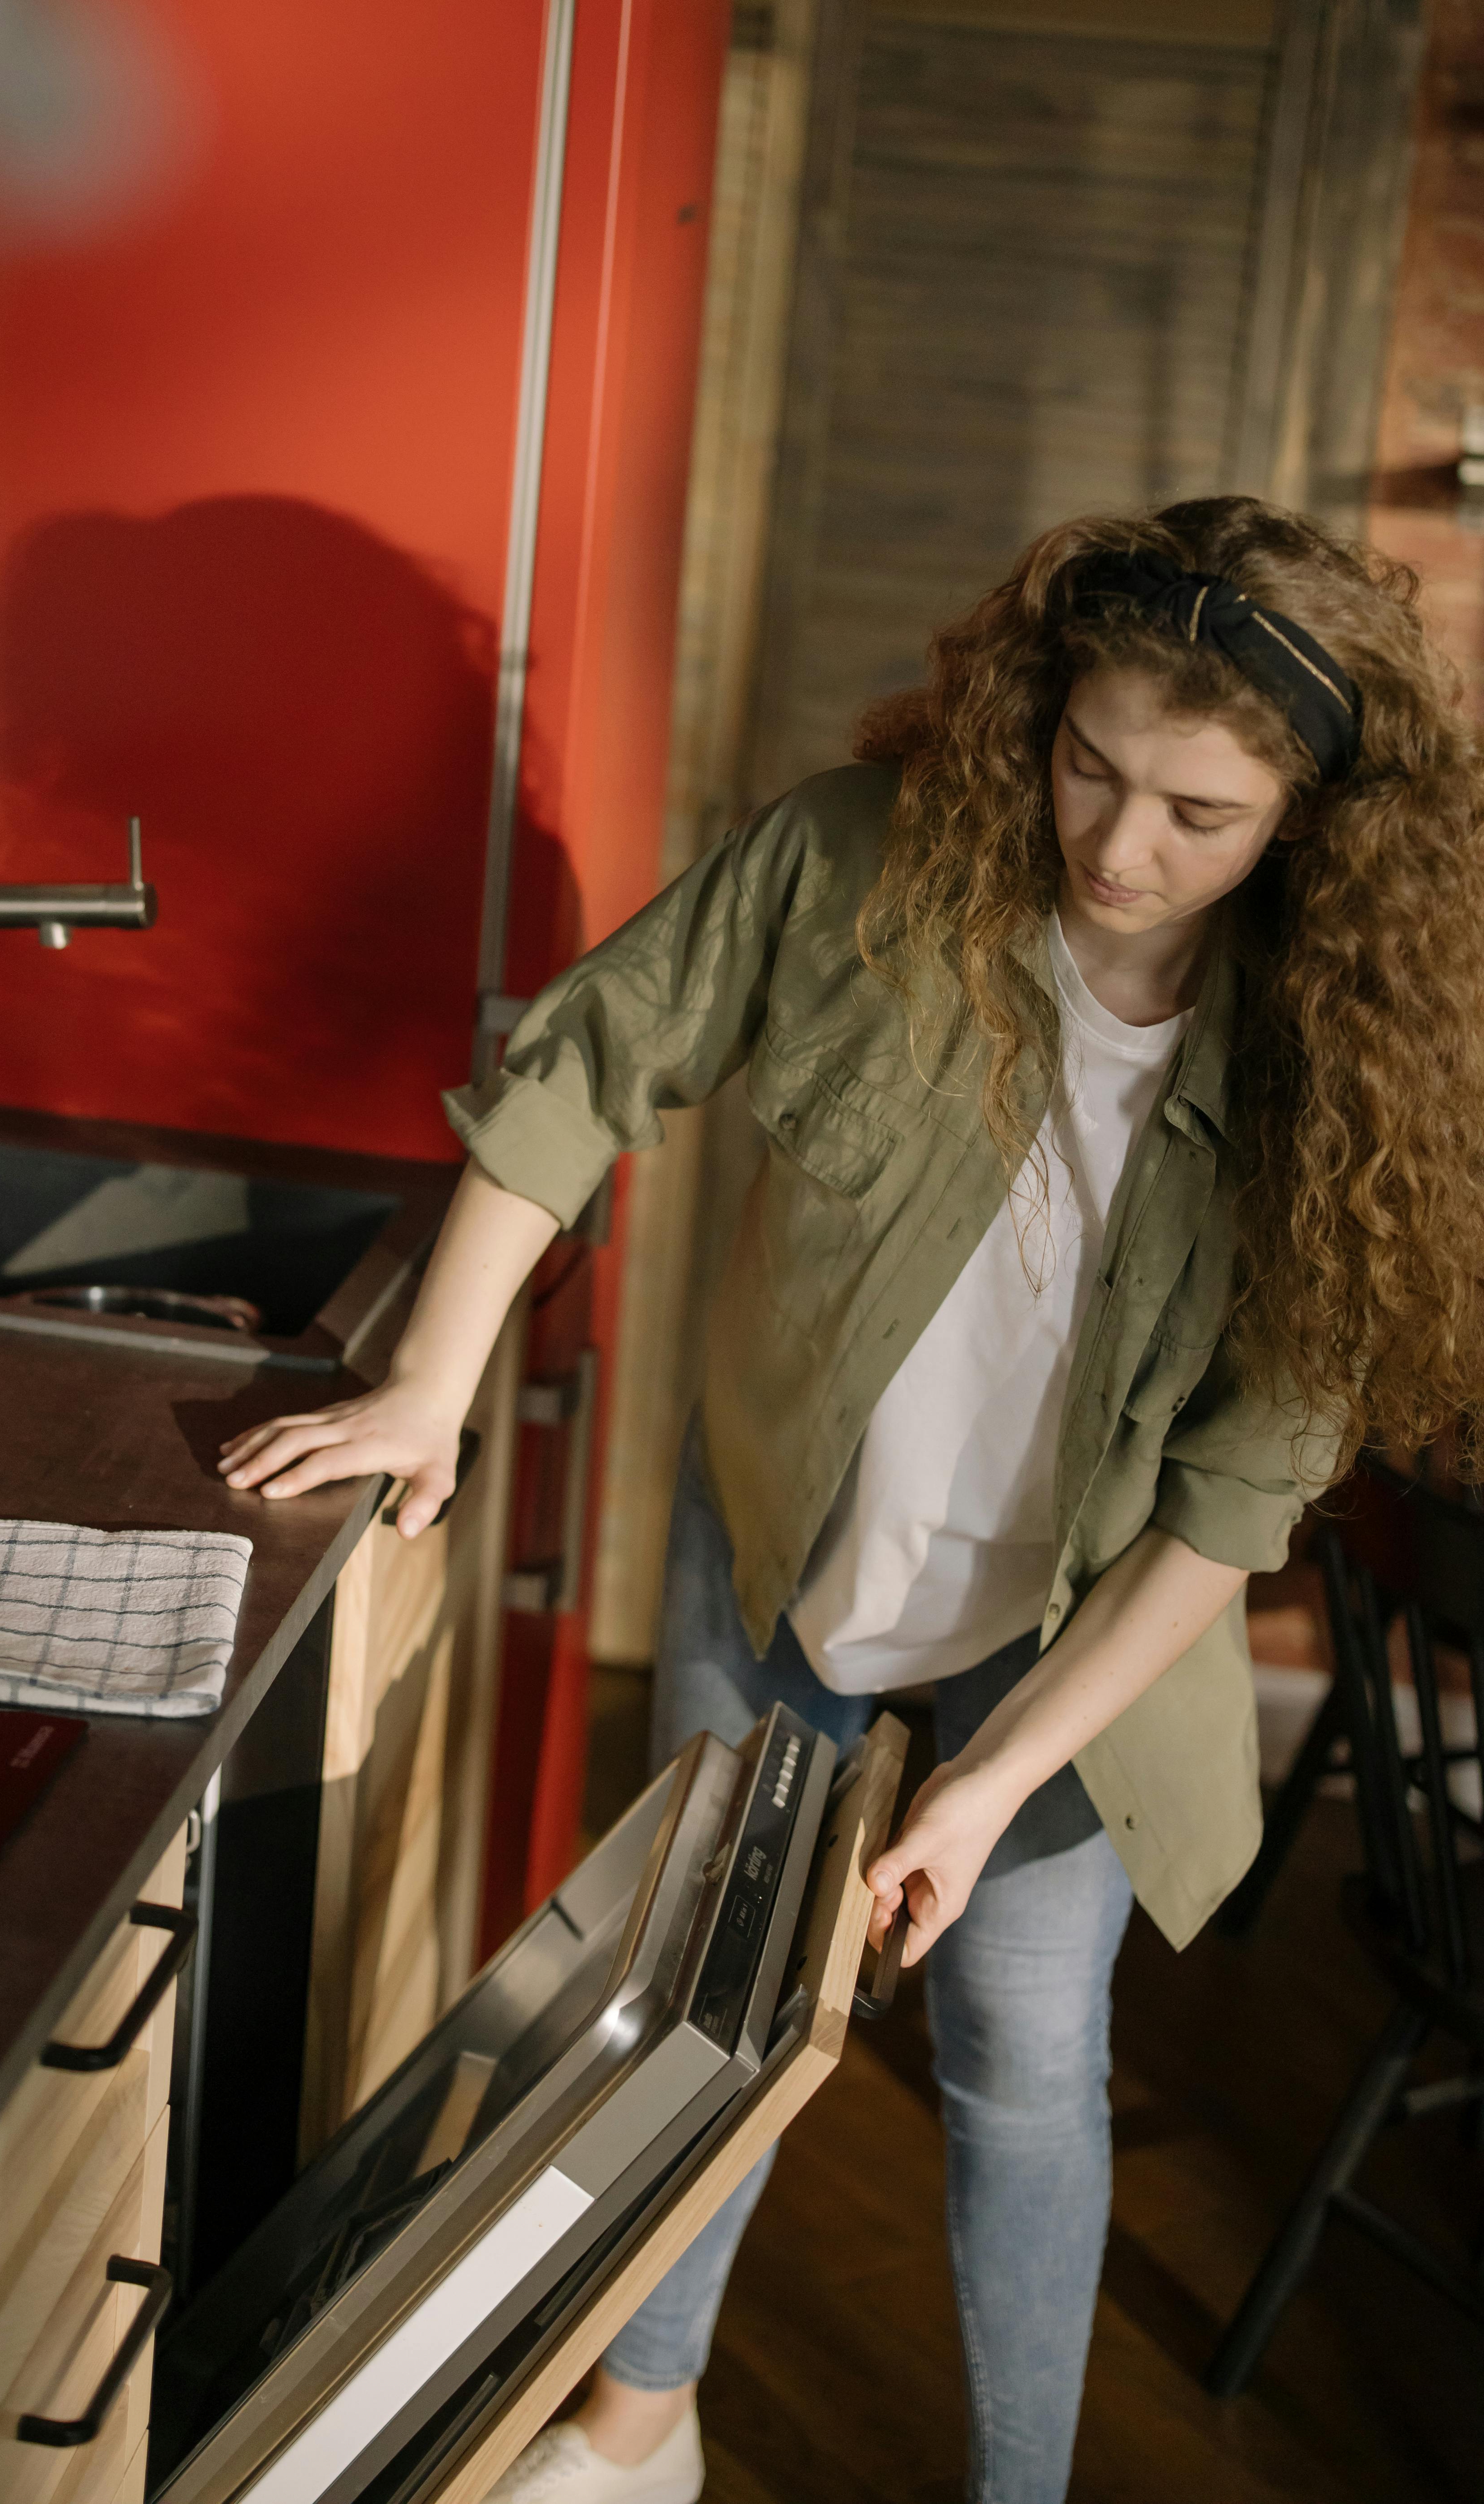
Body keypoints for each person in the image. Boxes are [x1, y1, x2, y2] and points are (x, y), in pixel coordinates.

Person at [217, 496, 1484, 2504]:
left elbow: (1234, 1509)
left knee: (1024, 2067)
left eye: (1198, 815)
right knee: (699, 2005)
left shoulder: (1342, 1072)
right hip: (783, 1542)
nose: (1117, 846)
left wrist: (990, 1788)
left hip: (1080, 1643)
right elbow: (587, 1065)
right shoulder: (859, 861)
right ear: (1042, 708)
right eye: (1088, 765)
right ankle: (643, 2422)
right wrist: (430, 1385)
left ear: (1308, 826)